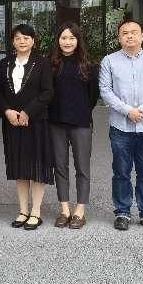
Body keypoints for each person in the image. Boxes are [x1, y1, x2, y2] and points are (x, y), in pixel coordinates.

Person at [99, 19, 143, 233]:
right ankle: (122, 212)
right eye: (125, 33)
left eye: (134, 32)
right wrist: (128, 111)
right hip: (121, 127)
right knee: (121, 171)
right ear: (119, 37)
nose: (129, 36)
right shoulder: (109, 61)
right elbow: (105, 90)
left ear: (142, 36)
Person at [0, 24, 54, 230]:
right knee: (19, 166)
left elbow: (48, 92)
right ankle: (23, 210)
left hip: (36, 121)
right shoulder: (5, 63)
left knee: (37, 165)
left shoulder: (43, 63)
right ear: (13, 41)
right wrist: (7, 111)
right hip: (12, 122)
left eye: (26, 38)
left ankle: (36, 211)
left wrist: (28, 111)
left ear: (33, 41)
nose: (22, 41)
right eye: (18, 38)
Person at [49, 22, 99, 230]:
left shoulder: (89, 65)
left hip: (81, 123)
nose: (67, 42)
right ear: (58, 40)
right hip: (56, 122)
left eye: (71, 38)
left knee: (82, 167)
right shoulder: (50, 64)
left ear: (78, 40)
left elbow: (93, 95)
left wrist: (81, 110)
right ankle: (64, 210)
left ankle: (80, 211)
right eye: (63, 38)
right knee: (60, 167)